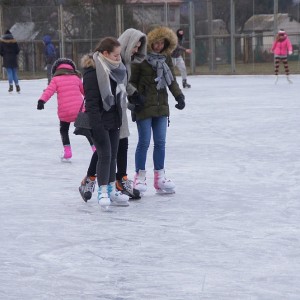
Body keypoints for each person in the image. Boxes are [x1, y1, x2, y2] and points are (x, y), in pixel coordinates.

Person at [79, 28, 147, 202]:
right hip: (106, 113)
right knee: (107, 149)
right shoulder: (110, 62)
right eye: (134, 46)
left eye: (139, 47)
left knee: (117, 147)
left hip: (118, 110)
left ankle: (118, 181)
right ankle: (93, 179)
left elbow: (123, 85)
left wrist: (134, 96)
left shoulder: (123, 61)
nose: (136, 50)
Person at [129, 26, 186, 194]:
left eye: (162, 43)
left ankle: (159, 177)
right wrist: (135, 97)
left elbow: (171, 81)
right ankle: (139, 178)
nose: (159, 46)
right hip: (144, 106)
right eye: (156, 43)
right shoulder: (140, 59)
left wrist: (179, 97)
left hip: (161, 107)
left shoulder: (166, 58)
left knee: (160, 143)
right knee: (144, 142)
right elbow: (131, 82)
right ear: (151, 42)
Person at [80, 37, 130, 208]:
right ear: (105, 53)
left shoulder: (117, 70)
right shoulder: (92, 71)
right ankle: (102, 192)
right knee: (105, 155)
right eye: (116, 56)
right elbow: (92, 104)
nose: (119, 59)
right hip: (99, 121)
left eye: (119, 55)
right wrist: (97, 127)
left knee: (113, 156)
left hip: (114, 119)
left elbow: (118, 98)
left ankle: (111, 190)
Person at [37, 58, 95, 162]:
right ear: (72, 68)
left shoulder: (56, 79)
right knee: (87, 130)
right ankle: (95, 148)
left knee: (64, 130)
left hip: (65, 112)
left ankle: (67, 151)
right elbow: (85, 92)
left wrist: (42, 101)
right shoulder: (76, 78)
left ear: (56, 69)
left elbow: (49, 91)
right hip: (79, 110)